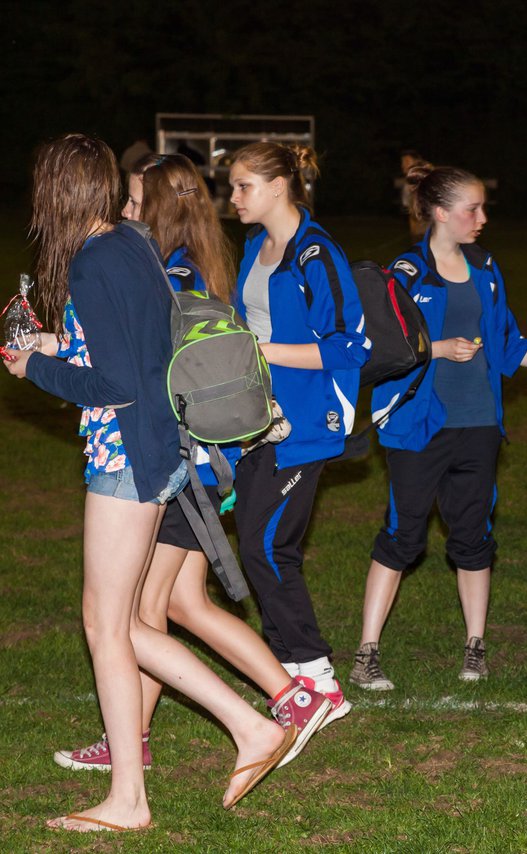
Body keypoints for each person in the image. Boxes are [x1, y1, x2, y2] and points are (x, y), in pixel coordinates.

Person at [8, 134, 292, 831]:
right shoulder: (130, 243)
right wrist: (48, 343)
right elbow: (133, 345)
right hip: (160, 450)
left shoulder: (91, 265)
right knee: (126, 624)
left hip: (126, 457)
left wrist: (30, 371)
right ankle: (245, 731)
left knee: (106, 625)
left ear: (57, 194)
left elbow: (116, 383)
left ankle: (138, 795)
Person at [54, 153, 332, 775]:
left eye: (130, 201)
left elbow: (140, 372)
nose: (123, 211)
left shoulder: (169, 273)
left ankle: (283, 702)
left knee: (144, 613)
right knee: (178, 605)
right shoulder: (198, 264)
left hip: (187, 462)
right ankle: (274, 702)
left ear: (151, 208)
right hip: (204, 460)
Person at [349, 164, 527, 688]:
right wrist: (436, 349)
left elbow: (505, 341)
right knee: (403, 535)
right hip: (418, 425)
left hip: (478, 422)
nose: (481, 218)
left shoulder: (486, 266)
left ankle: (475, 647)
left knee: (474, 535)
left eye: (482, 208)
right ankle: (367, 651)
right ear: (439, 213)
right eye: (471, 210)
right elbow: (377, 348)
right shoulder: (407, 272)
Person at [228, 141, 369, 717]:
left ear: (278, 187)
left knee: (264, 546)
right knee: (265, 544)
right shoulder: (255, 246)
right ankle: (291, 678)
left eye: (243, 186)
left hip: (307, 422)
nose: (233, 197)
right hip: (258, 421)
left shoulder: (318, 254)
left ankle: (320, 681)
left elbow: (347, 346)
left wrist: (262, 352)